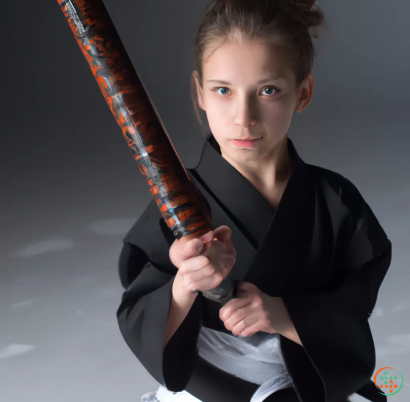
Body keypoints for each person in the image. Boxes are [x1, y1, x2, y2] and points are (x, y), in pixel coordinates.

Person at [116, 1, 392, 401]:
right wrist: (185, 285)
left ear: (303, 92)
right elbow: (140, 309)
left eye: (268, 90)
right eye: (223, 90)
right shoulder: (177, 205)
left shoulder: (336, 203)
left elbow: (351, 310)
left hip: (307, 375)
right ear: (200, 94)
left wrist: (281, 314)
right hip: (209, 381)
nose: (244, 117)